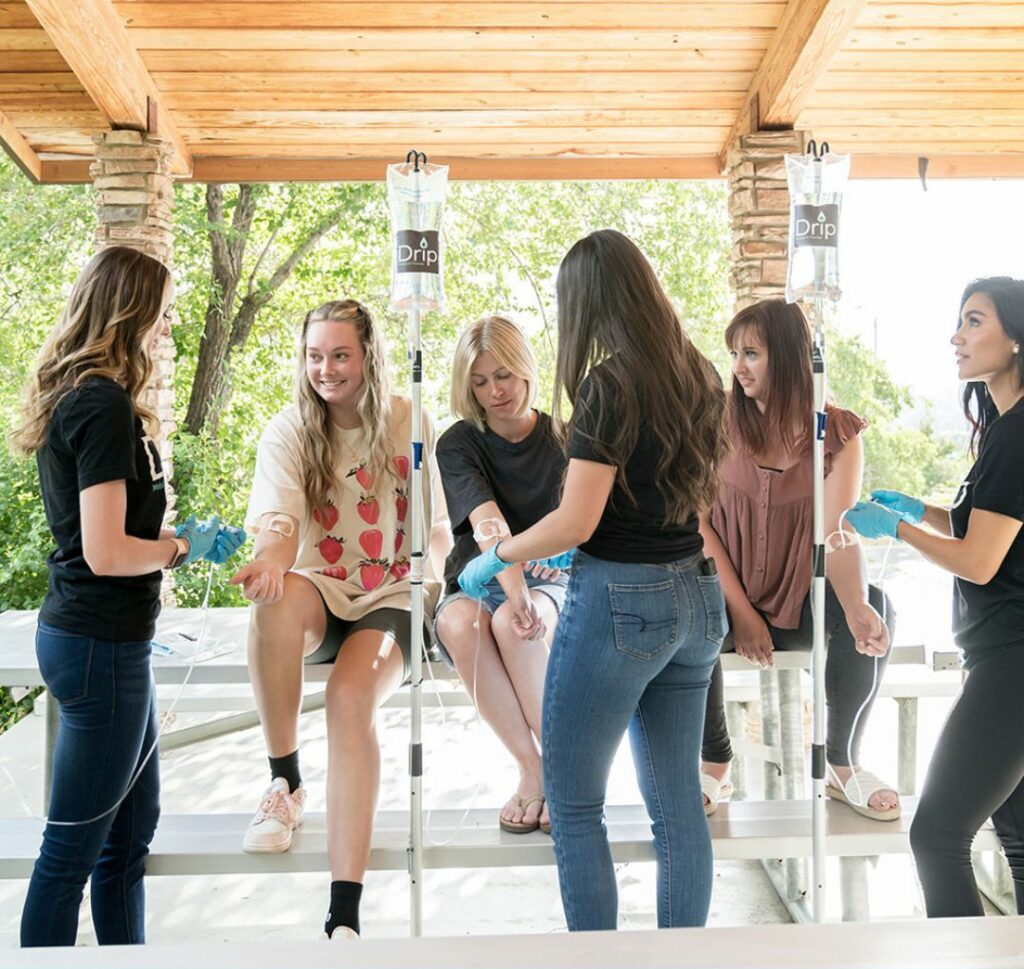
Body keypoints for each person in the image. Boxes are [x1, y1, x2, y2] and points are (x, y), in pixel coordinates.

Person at [459, 229, 729, 931]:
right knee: (677, 808)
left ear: (586, 302)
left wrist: (498, 557)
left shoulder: (611, 383)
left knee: (575, 802)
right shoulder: (699, 372)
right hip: (697, 597)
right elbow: (694, 502)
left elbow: (576, 521)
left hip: (622, 599)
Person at [11, 246, 245, 947]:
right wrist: (181, 549)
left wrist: (177, 536)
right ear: (130, 310)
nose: (168, 325)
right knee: (71, 854)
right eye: (163, 310)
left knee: (128, 838)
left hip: (112, 646)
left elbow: (110, 529)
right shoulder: (101, 404)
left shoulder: (94, 399)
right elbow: (106, 552)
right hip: (99, 648)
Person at [230, 298, 448, 941]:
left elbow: (435, 523)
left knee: (348, 698)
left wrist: (445, 588)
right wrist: (268, 562)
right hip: (322, 591)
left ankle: (344, 912)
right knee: (275, 598)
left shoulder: (410, 420)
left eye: (341, 354)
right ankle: (284, 780)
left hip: (394, 591)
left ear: (369, 355)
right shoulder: (290, 430)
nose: (326, 368)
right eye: (315, 355)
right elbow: (279, 524)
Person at [846, 277, 1024, 917]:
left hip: (1012, 662)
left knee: (937, 834)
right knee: (1019, 840)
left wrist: (896, 530)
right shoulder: (1005, 427)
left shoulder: (1017, 433)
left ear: (1016, 336)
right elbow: (985, 525)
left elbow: (979, 562)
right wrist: (916, 508)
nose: (957, 336)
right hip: (1005, 657)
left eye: (974, 322)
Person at [698, 298, 898, 821]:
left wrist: (855, 607)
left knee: (876, 603)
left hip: (798, 603)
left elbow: (837, 531)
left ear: (787, 357)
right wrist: (741, 613)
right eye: (735, 353)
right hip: (724, 601)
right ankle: (715, 760)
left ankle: (841, 763)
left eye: (752, 353)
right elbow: (696, 524)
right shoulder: (714, 419)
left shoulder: (837, 434)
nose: (738, 367)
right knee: (684, 609)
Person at [434, 316, 568, 835]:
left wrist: (526, 595)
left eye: (504, 375)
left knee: (514, 628)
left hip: (552, 579)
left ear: (527, 370)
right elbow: (487, 521)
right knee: (460, 625)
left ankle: (562, 771)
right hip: (479, 576)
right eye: (480, 381)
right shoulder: (459, 443)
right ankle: (532, 769)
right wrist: (513, 590)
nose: (495, 392)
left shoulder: (566, 437)